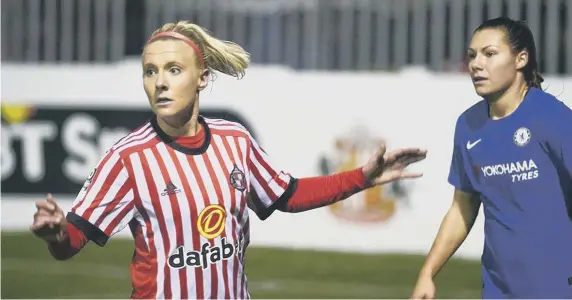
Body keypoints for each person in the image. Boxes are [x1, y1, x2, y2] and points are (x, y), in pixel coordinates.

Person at [30, 21, 427, 299]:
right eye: (150, 71)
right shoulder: (128, 158)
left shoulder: (234, 140)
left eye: (173, 69)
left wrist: (364, 176)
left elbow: (287, 194)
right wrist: (57, 233)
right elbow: (71, 242)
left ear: (202, 77)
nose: (160, 82)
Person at [411, 17, 572, 299]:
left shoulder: (552, 117)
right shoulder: (468, 126)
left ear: (521, 59)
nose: (476, 63)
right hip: (498, 290)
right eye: (472, 55)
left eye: (489, 53)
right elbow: (462, 208)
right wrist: (427, 273)